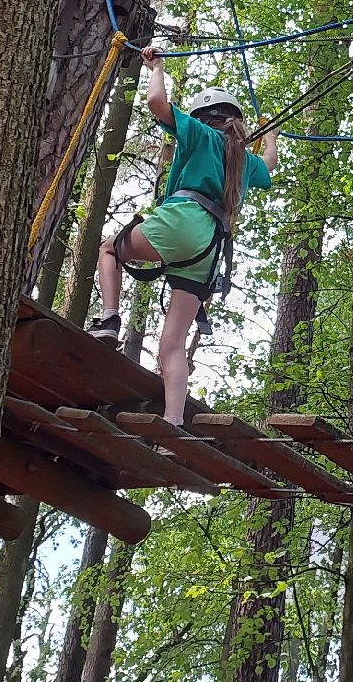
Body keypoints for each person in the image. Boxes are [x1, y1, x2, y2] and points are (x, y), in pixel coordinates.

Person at [92, 45, 277, 424]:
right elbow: (269, 166)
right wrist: (271, 135)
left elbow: (156, 102)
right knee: (172, 345)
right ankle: (174, 424)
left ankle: (110, 319)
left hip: (183, 219)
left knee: (110, 249)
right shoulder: (244, 158)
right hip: (209, 245)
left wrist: (156, 66)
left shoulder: (198, 135)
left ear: (201, 117)